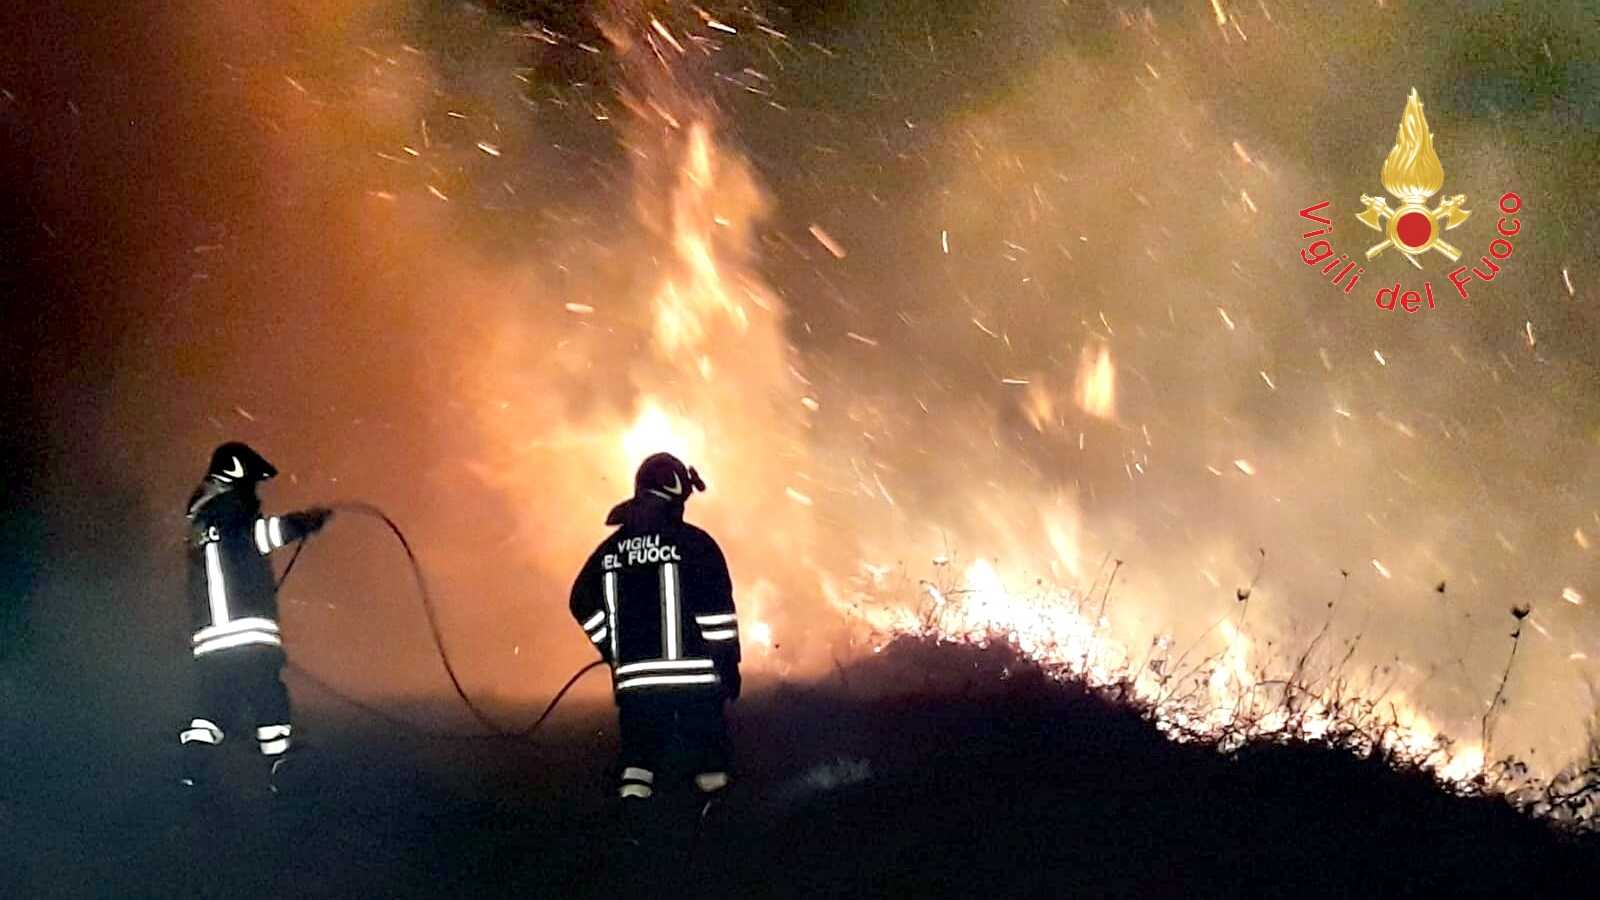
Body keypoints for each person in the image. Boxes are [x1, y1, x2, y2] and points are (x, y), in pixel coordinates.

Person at [570, 452, 742, 814]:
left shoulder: (610, 550)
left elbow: (580, 600)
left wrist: (610, 646)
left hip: (636, 687)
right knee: (709, 761)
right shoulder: (695, 544)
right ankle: (717, 830)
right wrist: (727, 666)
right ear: (674, 493)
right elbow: (716, 615)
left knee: (638, 761)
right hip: (696, 682)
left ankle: (633, 829)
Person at [177, 442, 331, 794]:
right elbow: (261, 536)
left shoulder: (201, 522)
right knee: (268, 699)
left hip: (209, 642)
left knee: (213, 705)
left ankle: (192, 769)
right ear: (237, 474)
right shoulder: (232, 510)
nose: (255, 491)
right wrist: (305, 521)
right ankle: (281, 768)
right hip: (247, 636)